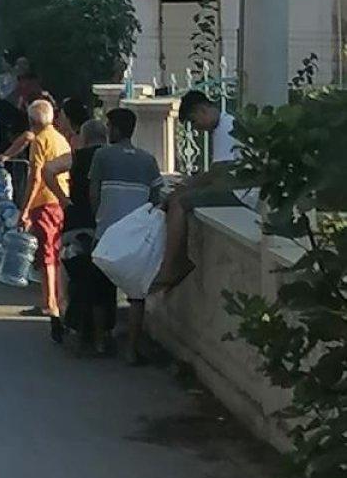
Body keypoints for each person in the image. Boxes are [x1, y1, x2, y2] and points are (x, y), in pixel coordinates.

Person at [89, 108, 161, 365]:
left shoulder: (102, 156)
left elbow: (94, 193)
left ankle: (100, 341)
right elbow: (156, 199)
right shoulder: (148, 160)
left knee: (100, 289)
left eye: (109, 126)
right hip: (136, 238)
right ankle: (131, 348)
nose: (107, 131)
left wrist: (98, 216)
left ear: (116, 130)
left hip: (106, 232)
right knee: (136, 293)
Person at [153, 91, 242, 291]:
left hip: (240, 193)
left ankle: (172, 265)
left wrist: (189, 186)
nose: (197, 128)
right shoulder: (224, 127)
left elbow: (220, 171)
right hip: (234, 188)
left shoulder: (226, 127)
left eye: (194, 121)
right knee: (177, 198)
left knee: (179, 202)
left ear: (203, 110)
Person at [0, 99, 70, 340]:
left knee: (47, 256)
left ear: (31, 121)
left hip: (45, 201)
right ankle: (53, 300)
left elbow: (36, 177)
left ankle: (50, 303)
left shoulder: (40, 140)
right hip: (59, 199)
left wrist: (25, 210)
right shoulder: (59, 138)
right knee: (53, 253)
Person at [44, 118, 116, 354]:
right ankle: (101, 336)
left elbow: (48, 170)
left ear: (83, 138)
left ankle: (69, 320)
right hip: (107, 225)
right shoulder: (111, 157)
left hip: (78, 223)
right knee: (104, 282)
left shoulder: (78, 157)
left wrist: (64, 201)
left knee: (73, 272)